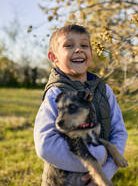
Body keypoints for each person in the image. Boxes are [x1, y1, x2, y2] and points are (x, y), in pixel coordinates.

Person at [34, 24, 128, 186]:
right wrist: (98, 156)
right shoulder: (56, 93)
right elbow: (45, 144)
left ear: (91, 53)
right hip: (62, 182)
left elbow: (118, 132)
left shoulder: (104, 90)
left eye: (84, 45)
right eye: (69, 45)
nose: (78, 50)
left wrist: (105, 172)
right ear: (53, 57)